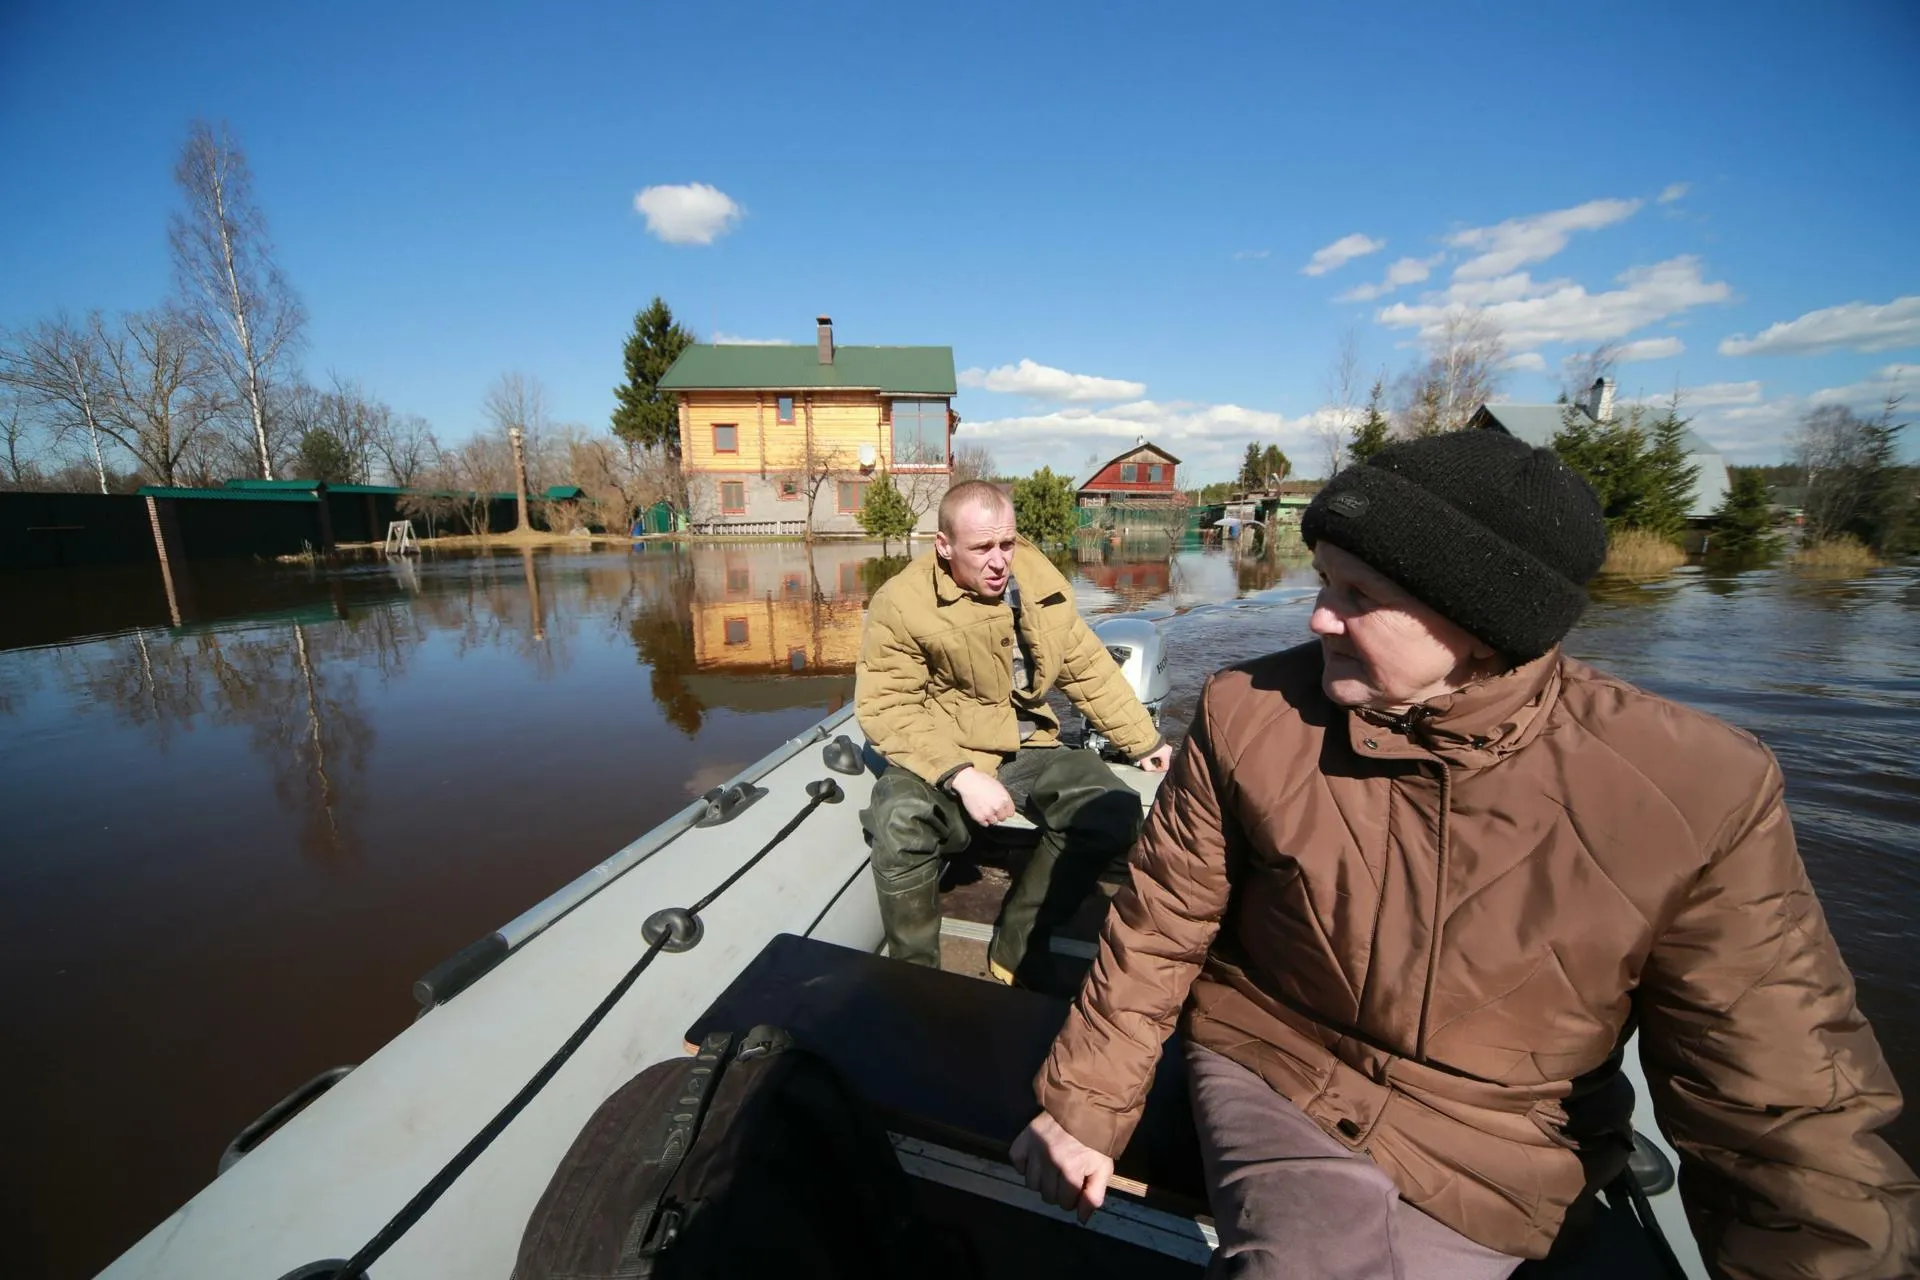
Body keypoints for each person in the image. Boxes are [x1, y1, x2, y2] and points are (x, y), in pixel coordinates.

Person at [1012, 432, 1917, 1278]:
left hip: (1506, 1140)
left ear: (1483, 622)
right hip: (1278, 1063)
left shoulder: (1700, 788)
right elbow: (1163, 922)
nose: (1319, 617)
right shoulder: (1250, 710)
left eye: (1359, 596)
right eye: (1324, 580)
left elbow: (1780, 1103)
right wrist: (1085, 1106)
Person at [855, 479, 1174, 986]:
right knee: (898, 821)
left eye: (1007, 543)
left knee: (1110, 810)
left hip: (1027, 745)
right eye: (982, 547)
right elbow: (886, 705)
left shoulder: (1039, 585)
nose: (999, 561)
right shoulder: (901, 603)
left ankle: (1017, 946)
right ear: (944, 546)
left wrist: (1144, 740)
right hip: (945, 746)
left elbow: (1086, 666)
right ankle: (916, 981)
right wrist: (961, 775)